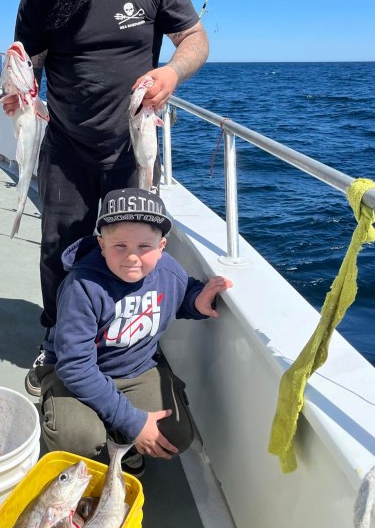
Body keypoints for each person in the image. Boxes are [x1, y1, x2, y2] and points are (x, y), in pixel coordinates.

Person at [2, 0, 210, 397]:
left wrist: (171, 74)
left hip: (131, 148)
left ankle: (131, 339)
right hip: (67, 145)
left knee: (135, 249)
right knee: (59, 248)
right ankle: (58, 335)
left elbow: (194, 38)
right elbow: (28, 58)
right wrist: (18, 92)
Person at [38, 188, 232, 477]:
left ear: (162, 245)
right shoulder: (82, 287)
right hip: (77, 376)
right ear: (101, 244)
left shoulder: (168, 271)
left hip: (136, 370)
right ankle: (58, 400)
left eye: (144, 246)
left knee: (175, 435)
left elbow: (181, 293)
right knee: (77, 438)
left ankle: (121, 441)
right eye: (120, 246)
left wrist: (197, 301)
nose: (132, 257)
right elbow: (75, 366)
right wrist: (135, 422)